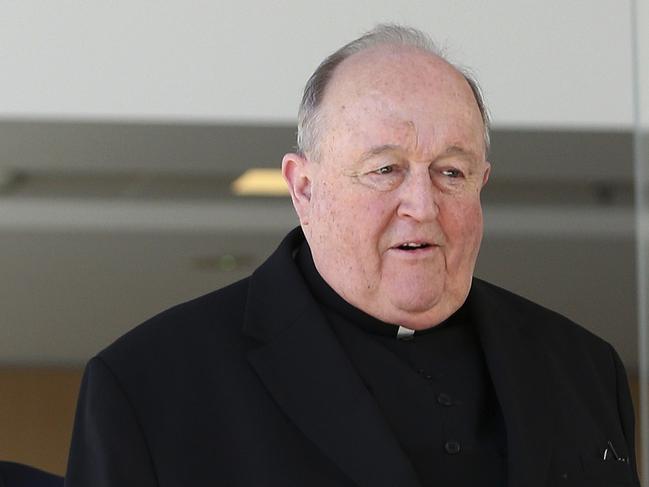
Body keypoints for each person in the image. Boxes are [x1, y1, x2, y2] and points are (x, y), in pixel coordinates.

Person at [65, 24, 640, 487]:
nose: (423, 204)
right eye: (385, 169)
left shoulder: (583, 369)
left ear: (481, 183)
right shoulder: (151, 384)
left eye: (451, 172)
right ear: (304, 188)